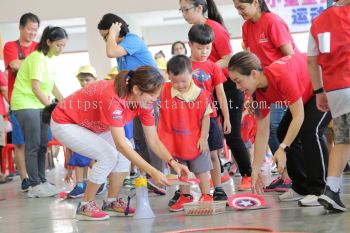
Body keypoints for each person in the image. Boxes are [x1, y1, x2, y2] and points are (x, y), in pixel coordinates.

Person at [51, 65, 190, 220]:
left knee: (125, 154)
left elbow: (153, 140)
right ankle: (85, 206)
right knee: (109, 155)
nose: (154, 100)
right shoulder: (113, 97)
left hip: (92, 124)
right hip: (66, 122)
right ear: (137, 90)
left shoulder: (144, 103)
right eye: (152, 96)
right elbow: (120, 145)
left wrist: (173, 163)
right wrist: (153, 172)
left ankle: (111, 202)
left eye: (156, 96)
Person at [228, 52, 331, 206]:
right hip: (305, 94)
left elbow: (298, 117)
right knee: (283, 131)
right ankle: (301, 187)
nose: (237, 87)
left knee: (311, 130)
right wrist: (254, 170)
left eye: (238, 81)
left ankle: (321, 190)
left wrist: (283, 148)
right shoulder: (256, 94)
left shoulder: (281, 76)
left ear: (254, 74)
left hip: (325, 85)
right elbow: (262, 133)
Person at [179, 0, 252, 190]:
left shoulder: (215, 28)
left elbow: (228, 59)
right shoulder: (196, 30)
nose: (184, 14)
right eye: (182, 10)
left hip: (226, 87)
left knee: (232, 134)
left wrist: (204, 70)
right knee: (210, 138)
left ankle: (247, 175)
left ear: (200, 8)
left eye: (186, 9)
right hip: (207, 88)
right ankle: (220, 175)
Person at [233, 0, 299, 193]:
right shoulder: (246, 27)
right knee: (265, 130)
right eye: (237, 8)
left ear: (255, 2)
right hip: (260, 86)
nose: (240, 12)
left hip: (280, 84)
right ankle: (286, 176)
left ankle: (291, 176)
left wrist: (283, 81)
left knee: (277, 129)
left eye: (241, 7)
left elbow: (290, 56)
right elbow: (249, 58)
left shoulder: (272, 22)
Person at [98, 14, 166, 194]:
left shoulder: (132, 40)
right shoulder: (122, 52)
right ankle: (148, 176)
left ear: (116, 29)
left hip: (149, 95)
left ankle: (157, 176)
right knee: (138, 138)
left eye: (105, 36)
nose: (106, 40)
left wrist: (112, 33)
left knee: (151, 136)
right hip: (136, 98)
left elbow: (110, 52)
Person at [11, 26, 67, 198]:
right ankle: (34, 186)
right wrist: (52, 107)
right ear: (48, 42)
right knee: (33, 144)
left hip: (39, 104)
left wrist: (64, 102)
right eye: (58, 45)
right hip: (25, 103)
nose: (61, 49)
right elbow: (35, 88)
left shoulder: (50, 60)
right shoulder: (37, 58)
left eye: (64, 46)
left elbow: (51, 85)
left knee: (43, 144)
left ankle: (42, 181)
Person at [307, 0, 350, 212]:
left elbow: (311, 61)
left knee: (343, 140)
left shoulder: (318, 21)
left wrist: (318, 92)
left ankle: (331, 190)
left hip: (335, 89)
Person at [159, 55, 213, 212]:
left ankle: (206, 194)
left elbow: (206, 118)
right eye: (175, 81)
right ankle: (185, 196)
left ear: (191, 74)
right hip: (175, 140)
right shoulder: (165, 90)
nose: (179, 85)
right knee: (181, 170)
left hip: (196, 139)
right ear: (168, 76)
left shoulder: (201, 95)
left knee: (201, 169)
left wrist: (203, 138)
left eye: (183, 81)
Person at [188, 24, 231, 201]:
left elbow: (220, 94)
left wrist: (226, 118)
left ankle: (218, 187)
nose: (204, 51)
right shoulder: (185, 66)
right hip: (190, 119)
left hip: (211, 117)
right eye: (200, 48)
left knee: (214, 154)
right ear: (190, 45)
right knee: (194, 155)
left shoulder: (214, 67)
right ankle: (193, 190)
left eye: (208, 47)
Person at [3, 12, 40, 192]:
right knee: (20, 142)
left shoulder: (39, 46)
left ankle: (39, 177)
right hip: (18, 102)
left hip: (37, 100)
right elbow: (14, 65)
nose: (32, 32)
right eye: (29, 29)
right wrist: (33, 62)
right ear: (20, 28)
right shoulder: (10, 46)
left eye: (35, 29)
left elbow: (44, 67)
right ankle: (25, 178)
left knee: (38, 141)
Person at [64, 65, 106, 198]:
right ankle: (81, 185)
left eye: (87, 79)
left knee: (89, 159)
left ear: (95, 79)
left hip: (96, 132)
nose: (84, 83)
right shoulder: (77, 96)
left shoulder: (100, 95)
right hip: (81, 131)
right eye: (81, 80)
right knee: (81, 158)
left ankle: (96, 181)